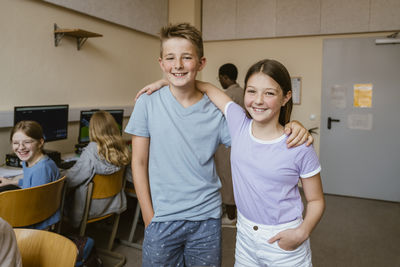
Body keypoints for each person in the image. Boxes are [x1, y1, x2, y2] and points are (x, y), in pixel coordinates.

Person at [126, 23, 312, 266]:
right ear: (161, 63)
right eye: (170, 58)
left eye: (186, 58)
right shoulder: (147, 104)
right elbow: (138, 162)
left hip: (206, 218)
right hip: (161, 218)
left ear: (201, 63)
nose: (178, 64)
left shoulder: (216, 111)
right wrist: (149, 216)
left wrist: (292, 123)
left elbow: (256, 133)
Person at [195, 59, 325, 266]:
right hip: (245, 234)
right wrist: (164, 83)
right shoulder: (238, 123)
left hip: (284, 238)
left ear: (286, 98)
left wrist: (301, 232)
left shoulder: (299, 144)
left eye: (270, 93)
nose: (258, 100)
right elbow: (207, 87)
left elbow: (316, 200)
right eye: (252, 91)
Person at [65, 110, 130, 228]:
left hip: (90, 207)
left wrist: (61, 174)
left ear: (93, 129)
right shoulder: (122, 149)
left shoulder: (91, 151)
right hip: (112, 203)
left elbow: (72, 180)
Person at [0, 121, 61, 230]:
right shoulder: (33, 162)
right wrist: (12, 182)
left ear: (40, 142)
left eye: (27, 142)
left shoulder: (42, 169)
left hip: (36, 223)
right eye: (15, 143)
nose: (21, 147)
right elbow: (33, 183)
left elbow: (33, 210)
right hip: (35, 214)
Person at [216, 63, 243, 226]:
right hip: (239, 142)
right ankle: (234, 212)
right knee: (234, 178)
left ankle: (231, 217)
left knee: (226, 179)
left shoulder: (227, 95)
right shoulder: (242, 92)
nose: (219, 82)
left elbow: (218, 119)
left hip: (227, 143)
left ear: (225, 77)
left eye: (220, 78)